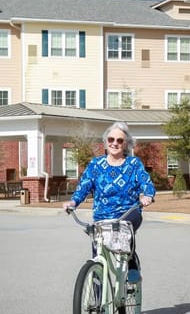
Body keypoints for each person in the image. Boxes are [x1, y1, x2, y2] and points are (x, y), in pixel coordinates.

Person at [63, 121, 155, 283]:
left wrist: (146, 195)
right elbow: (84, 187)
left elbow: (146, 183)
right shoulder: (96, 165)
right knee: (98, 258)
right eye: (111, 139)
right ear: (105, 141)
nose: (115, 143)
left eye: (120, 140)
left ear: (126, 144)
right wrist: (73, 202)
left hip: (128, 213)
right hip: (102, 216)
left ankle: (132, 262)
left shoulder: (134, 164)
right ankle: (98, 301)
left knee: (126, 228)